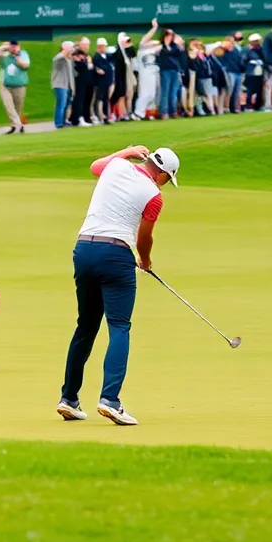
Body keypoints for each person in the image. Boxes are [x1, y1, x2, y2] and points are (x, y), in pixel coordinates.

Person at [58, 144, 180, 427]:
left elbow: (94, 166)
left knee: (86, 326)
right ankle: (110, 400)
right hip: (116, 255)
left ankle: (69, 399)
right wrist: (146, 261)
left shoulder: (116, 166)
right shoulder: (154, 196)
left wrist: (126, 151)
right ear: (163, 174)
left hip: (83, 250)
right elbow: (144, 238)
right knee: (119, 326)